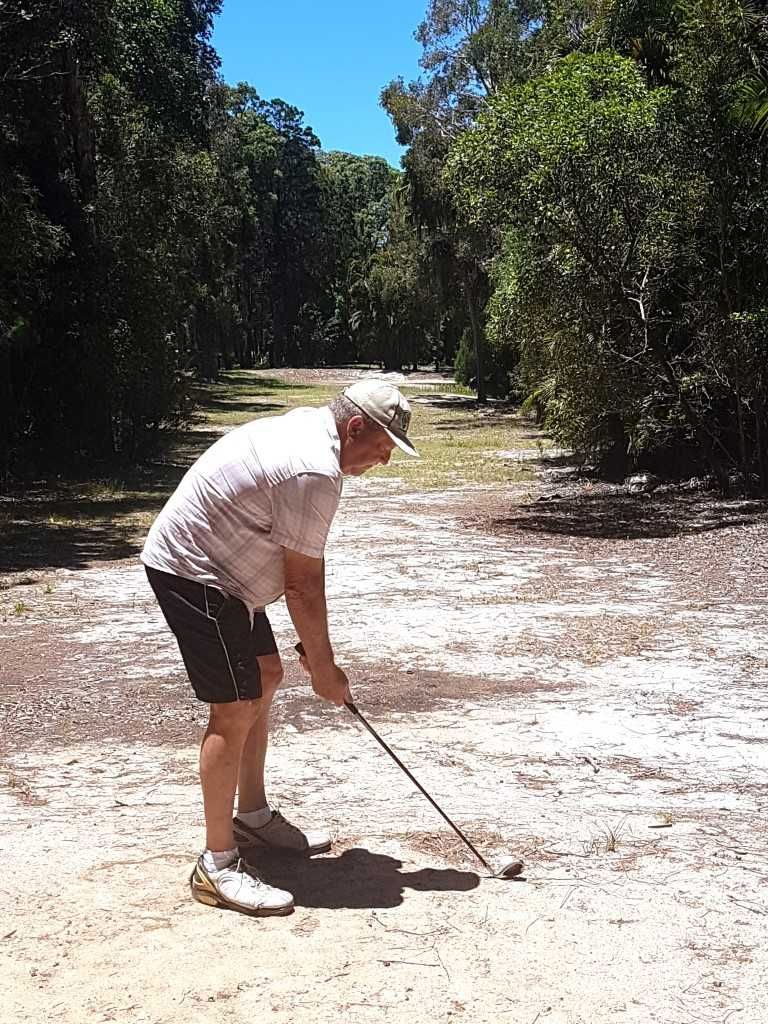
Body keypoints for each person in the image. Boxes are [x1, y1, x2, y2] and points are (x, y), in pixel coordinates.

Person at [141, 379, 418, 917]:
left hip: (229, 578)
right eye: (383, 447)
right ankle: (217, 865)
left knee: (266, 674)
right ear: (355, 426)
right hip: (193, 570)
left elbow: (294, 577)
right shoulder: (314, 469)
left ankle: (252, 818)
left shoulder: (316, 433)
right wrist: (325, 669)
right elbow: (302, 587)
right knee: (235, 707)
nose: (384, 461)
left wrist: (317, 657)